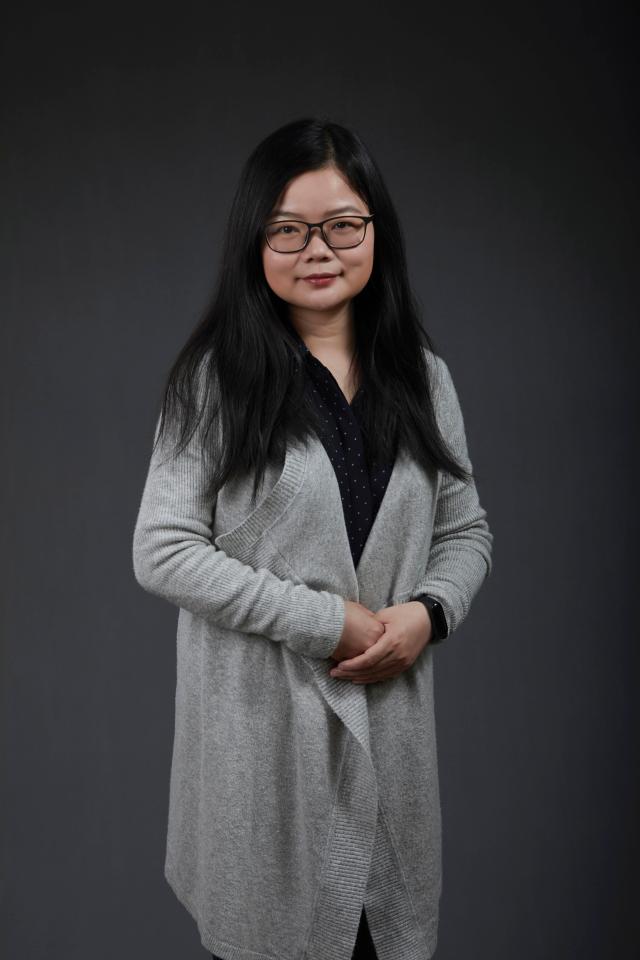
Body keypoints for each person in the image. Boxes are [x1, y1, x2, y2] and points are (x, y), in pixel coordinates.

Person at [132, 116, 494, 960]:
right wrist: (325, 621)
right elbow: (163, 548)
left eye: (342, 225)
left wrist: (429, 614)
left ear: (376, 230)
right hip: (262, 755)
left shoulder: (424, 378)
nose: (318, 249)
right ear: (254, 241)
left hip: (391, 743)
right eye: (288, 230)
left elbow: (465, 529)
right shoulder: (215, 382)